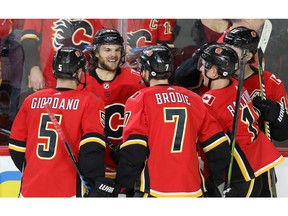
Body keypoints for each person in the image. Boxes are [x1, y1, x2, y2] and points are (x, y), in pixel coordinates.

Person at [116, 45, 231, 197]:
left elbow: (134, 151)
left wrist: (123, 185)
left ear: (144, 72)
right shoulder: (195, 99)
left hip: (156, 189)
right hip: (192, 188)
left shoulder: (140, 99)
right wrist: (214, 180)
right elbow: (219, 147)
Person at [8, 47, 113, 197]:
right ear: (79, 72)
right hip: (68, 190)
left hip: (30, 190)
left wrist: (38, 170)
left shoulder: (31, 100)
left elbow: (16, 148)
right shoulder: (90, 101)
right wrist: (97, 181)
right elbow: (92, 148)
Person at [198, 43, 284, 197]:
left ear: (213, 71)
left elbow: (215, 148)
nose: (200, 69)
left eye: (204, 65)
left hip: (241, 173)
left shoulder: (209, 103)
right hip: (262, 164)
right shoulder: (238, 87)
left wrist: (216, 178)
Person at [223, 26, 288, 197]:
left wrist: (275, 114)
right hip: (225, 164)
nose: (225, 53)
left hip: (260, 163)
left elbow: (283, 134)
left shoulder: (269, 83)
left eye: (231, 49)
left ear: (248, 55)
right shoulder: (217, 79)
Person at [78, 28, 146, 188]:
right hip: (91, 163)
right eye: (107, 50)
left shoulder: (136, 80)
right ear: (96, 53)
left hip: (128, 163)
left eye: (117, 50)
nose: (113, 55)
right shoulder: (80, 81)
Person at [20, 19, 104, 91]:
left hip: (82, 82)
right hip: (47, 80)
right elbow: (28, 40)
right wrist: (33, 68)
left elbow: (101, 46)